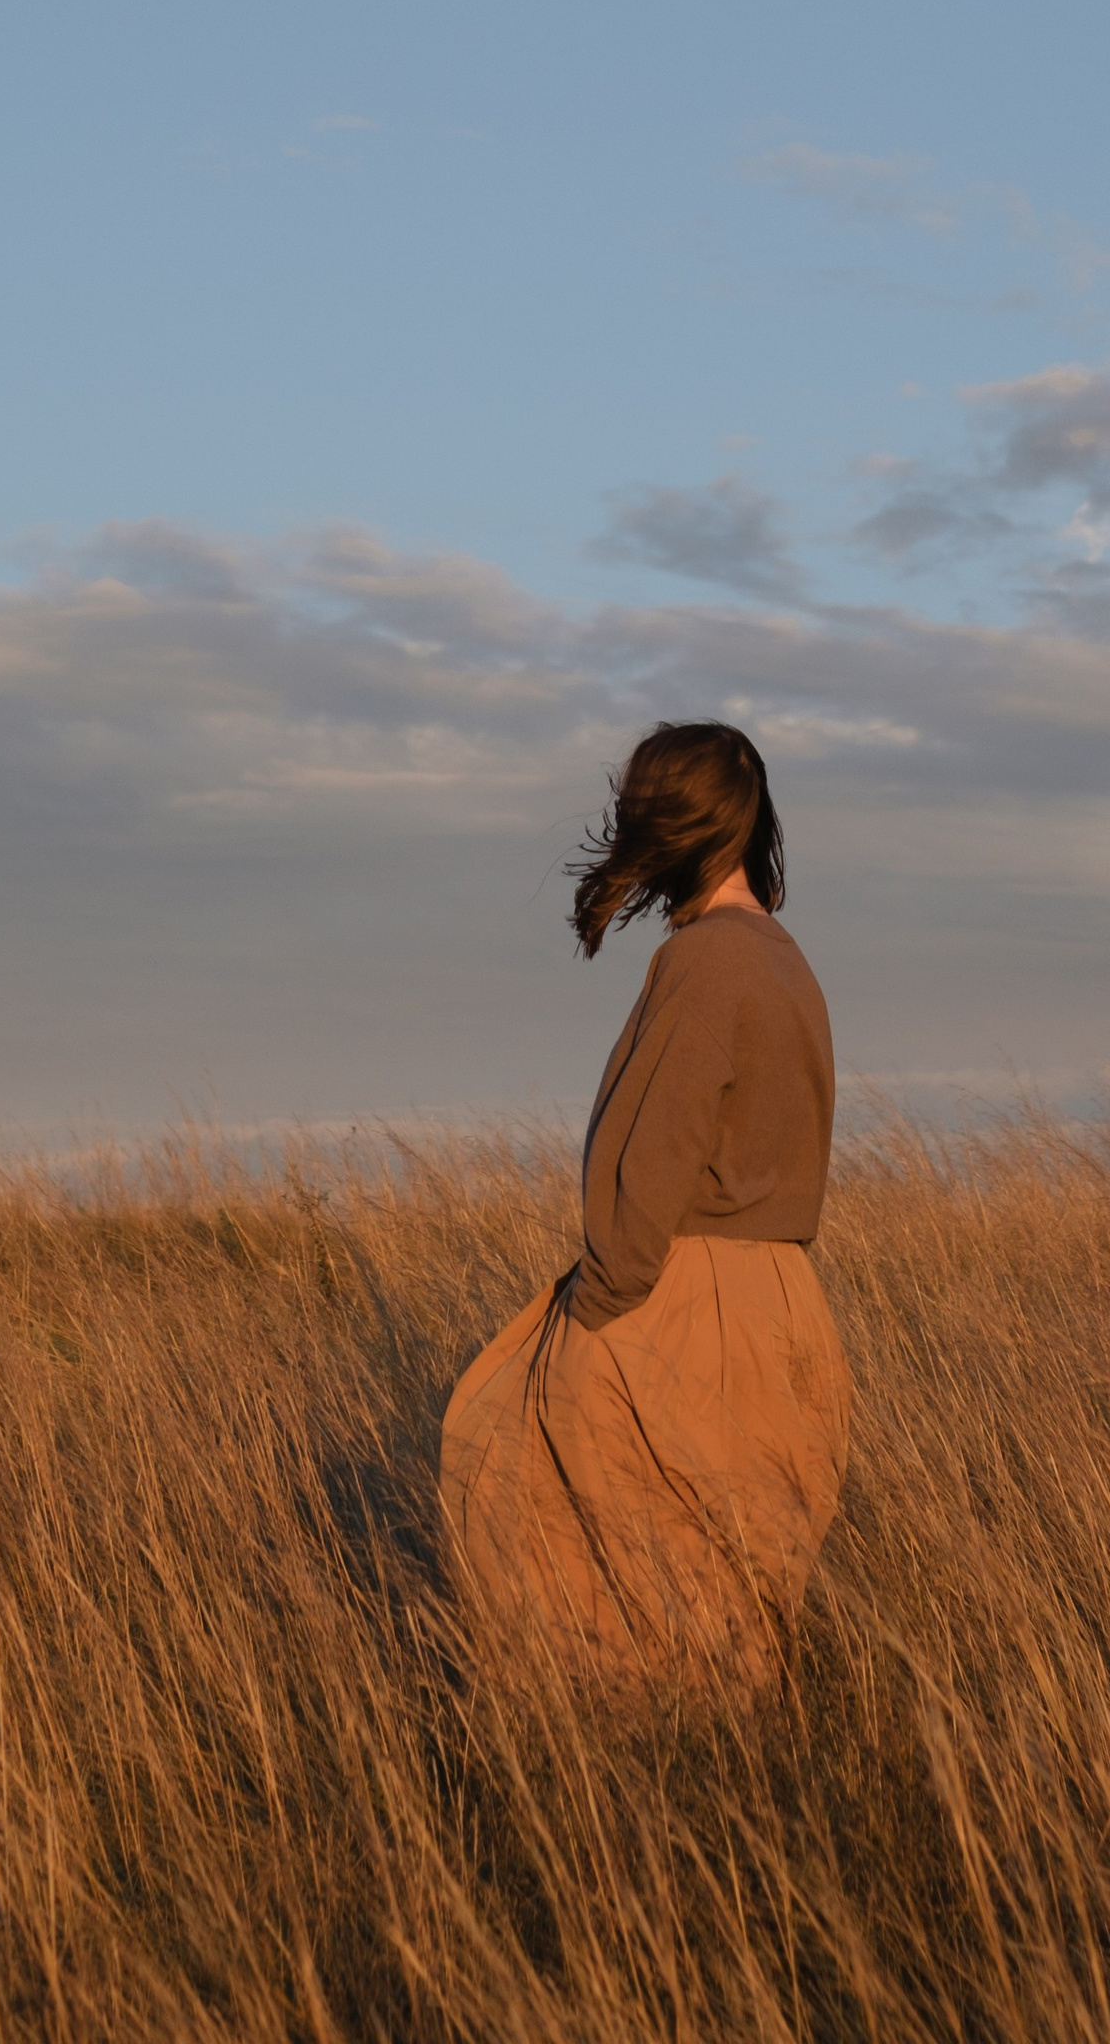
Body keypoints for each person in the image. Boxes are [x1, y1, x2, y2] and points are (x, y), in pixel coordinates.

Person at [439, 720, 852, 1684]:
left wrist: (597, 1304)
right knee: (728, 1602)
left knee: (531, 1508)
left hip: (683, 1299)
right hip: (783, 1303)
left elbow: (650, 1157)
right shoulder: (785, 959)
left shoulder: (705, 963)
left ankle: (610, 1798)